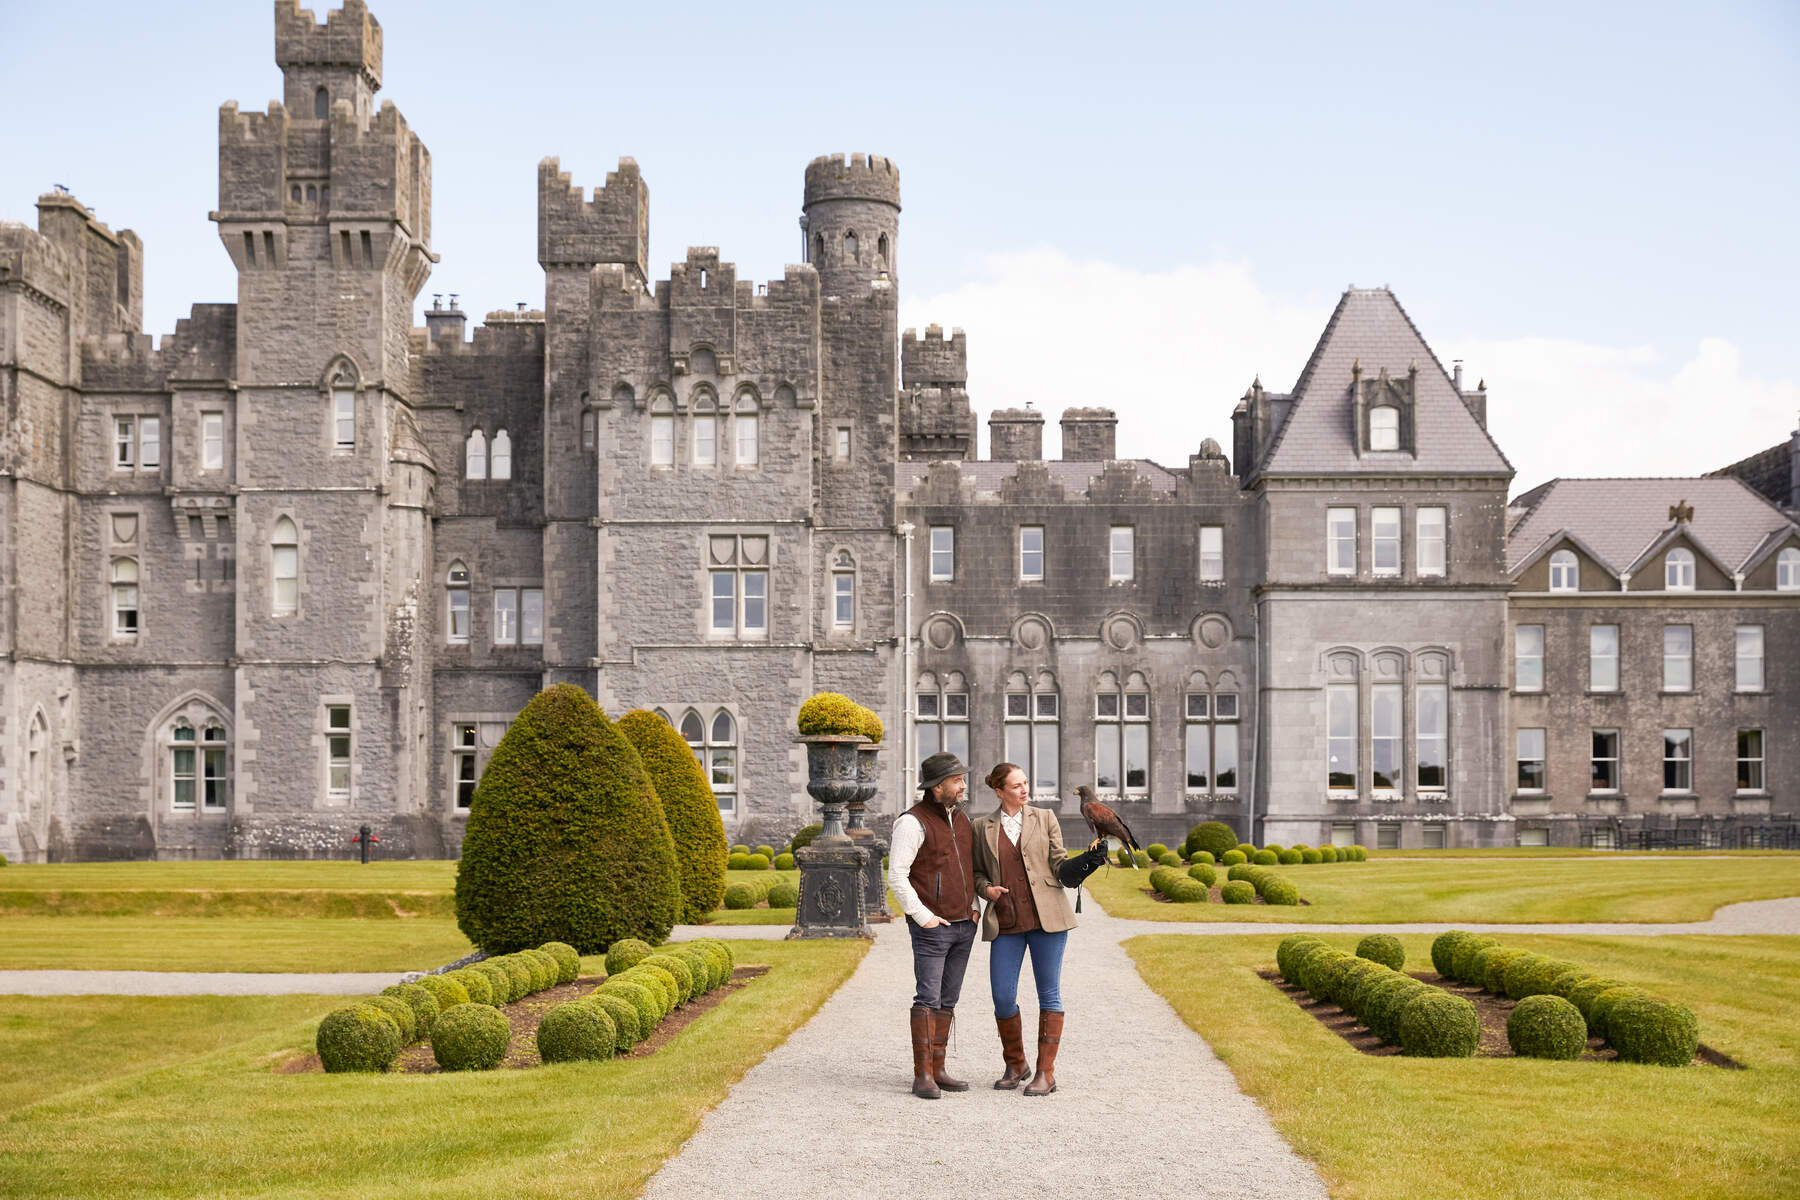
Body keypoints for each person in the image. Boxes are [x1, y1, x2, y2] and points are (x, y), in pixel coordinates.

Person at [970, 761, 1109, 1096]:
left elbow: (1060, 865)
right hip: (1006, 919)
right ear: (999, 790)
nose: (1024, 789)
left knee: (1049, 993)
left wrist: (1086, 862)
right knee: (1002, 996)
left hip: (1048, 919)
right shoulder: (980, 827)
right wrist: (986, 889)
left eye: (1026, 783)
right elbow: (976, 873)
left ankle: (1046, 1073)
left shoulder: (1045, 817)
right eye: (1016, 785)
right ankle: (1016, 1064)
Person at [887, 750, 979, 1100]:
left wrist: (973, 906)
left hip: (963, 925)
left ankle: (939, 1068)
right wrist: (923, 916)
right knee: (928, 997)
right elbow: (897, 876)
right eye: (957, 780)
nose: (962, 785)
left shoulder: (962, 819)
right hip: (932, 928)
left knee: (948, 998)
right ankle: (923, 1074)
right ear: (938, 787)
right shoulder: (911, 822)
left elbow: (968, 868)